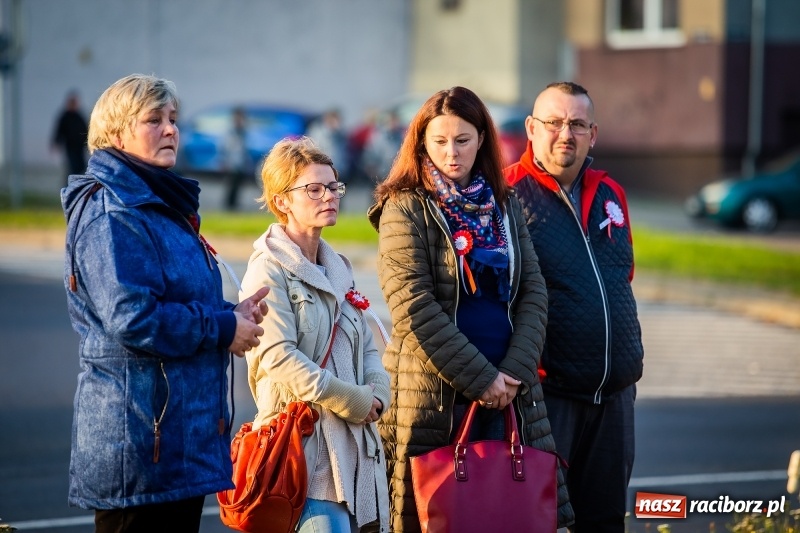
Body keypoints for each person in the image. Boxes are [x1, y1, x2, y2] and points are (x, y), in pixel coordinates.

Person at [61, 73, 270, 533]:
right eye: (153, 120)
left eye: (173, 118)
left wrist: (230, 317)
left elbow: (173, 301)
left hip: (175, 448)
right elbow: (133, 318)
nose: (171, 128)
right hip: (140, 449)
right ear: (115, 134)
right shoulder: (113, 211)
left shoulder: (157, 203)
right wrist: (219, 329)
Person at [367, 86, 574, 532]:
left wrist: (512, 375)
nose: (451, 152)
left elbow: (533, 290)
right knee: (438, 517)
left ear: (482, 139)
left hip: (510, 393)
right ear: (421, 142)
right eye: (439, 141)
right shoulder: (404, 207)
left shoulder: (504, 204)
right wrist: (482, 379)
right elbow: (413, 307)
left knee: (508, 515)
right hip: (435, 396)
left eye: (462, 140)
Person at [504, 81, 644, 533]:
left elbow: (623, 277)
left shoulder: (611, 194)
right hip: (548, 399)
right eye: (554, 122)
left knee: (604, 522)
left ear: (593, 133)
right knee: (536, 521)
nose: (566, 133)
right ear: (531, 128)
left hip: (615, 396)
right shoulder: (505, 195)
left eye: (577, 124)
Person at [239, 137, 391, 533]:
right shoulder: (267, 268)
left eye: (334, 186)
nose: (329, 196)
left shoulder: (337, 265)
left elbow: (363, 339)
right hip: (304, 449)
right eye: (314, 189)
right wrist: (355, 399)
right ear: (282, 200)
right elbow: (279, 358)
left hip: (355, 449)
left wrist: (378, 384)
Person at [51, 90, 89, 186]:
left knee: (81, 166)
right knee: (72, 167)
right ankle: (68, 186)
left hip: (80, 147)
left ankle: (78, 185)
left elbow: (86, 130)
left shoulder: (79, 116)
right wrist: (56, 143)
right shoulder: (65, 117)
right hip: (70, 147)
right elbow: (59, 131)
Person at [222, 106, 253, 210]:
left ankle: (234, 204)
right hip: (232, 163)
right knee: (231, 184)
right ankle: (229, 204)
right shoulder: (231, 132)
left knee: (238, 185)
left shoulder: (244, 132)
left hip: (241, 163)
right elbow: (225, 148)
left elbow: (245, 149)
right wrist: (225, 162)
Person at [307, 108, 347, 174]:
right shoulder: (318, 133)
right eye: (337, 121)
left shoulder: (339, 134)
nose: (339, 124)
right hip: (323, 170)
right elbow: (313, 152)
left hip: (337, 170)